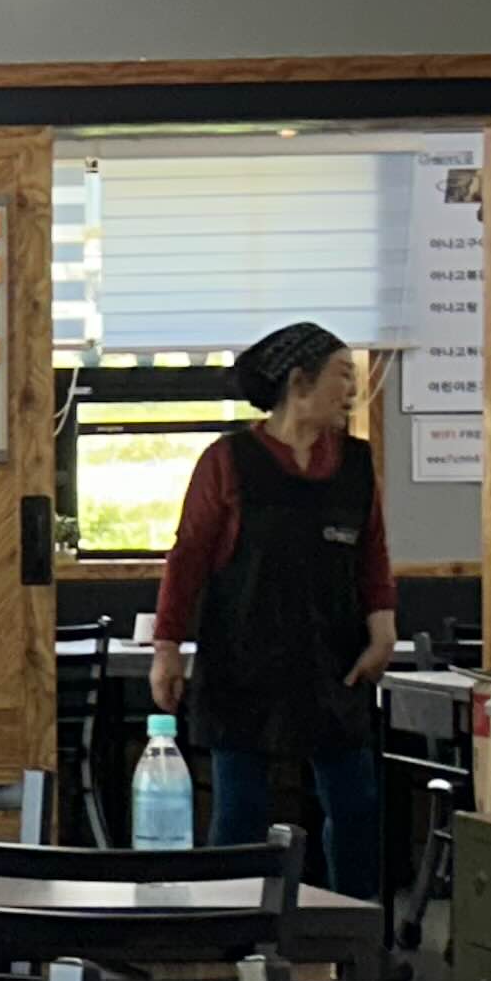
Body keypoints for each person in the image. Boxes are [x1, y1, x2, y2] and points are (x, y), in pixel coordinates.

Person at [147, 319, 393, 895]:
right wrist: (166, 648)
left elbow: (372, 555)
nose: (351, 389)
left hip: (334, 660)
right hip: (242, 661)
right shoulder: (228, 461)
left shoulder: (356, 463)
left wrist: (383, 632)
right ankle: (230, 923)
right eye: (341, 375)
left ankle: (351, 926)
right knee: (241, 810)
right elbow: (187, 559)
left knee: (356, 804)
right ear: (299, 383)